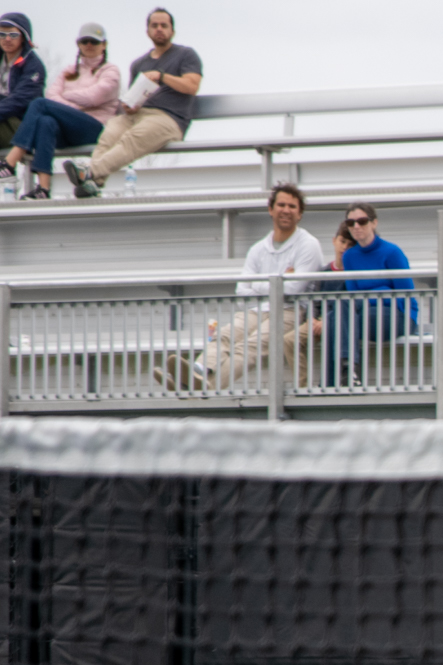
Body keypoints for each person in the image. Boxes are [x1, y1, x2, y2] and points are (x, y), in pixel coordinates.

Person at [157, 183, 320, 391]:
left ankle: (203, 387)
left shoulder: (308, 245)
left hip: (289, 311)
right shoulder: (258, 249)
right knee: (224, 336)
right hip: (257, 309)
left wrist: (261, 283)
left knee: (250, 347)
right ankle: (198, 370)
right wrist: (278, 281)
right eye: (281, 205)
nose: (286, 210)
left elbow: (294, 290)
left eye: (292, 206)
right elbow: (242, 289)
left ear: (300, 214)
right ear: (271, 209)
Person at [65, 8, 199, 199]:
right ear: (148, 32)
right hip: (136, 115)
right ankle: (93, 185)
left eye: (164, 26)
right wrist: (128, 106)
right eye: (154, 26)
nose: (159, 29)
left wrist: (162, 77)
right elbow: (132, 96)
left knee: (131, 138)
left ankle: (89, 173)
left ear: (172, 31)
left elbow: (192, 86)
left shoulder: (186, 55)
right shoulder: (139, 64)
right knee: (110, 133)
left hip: (168, 119)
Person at [6, 23, 115, 199]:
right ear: (78, 44)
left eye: (94, 42)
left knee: (39, 104)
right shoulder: (69, 71)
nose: (89, 45)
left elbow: (95, 96)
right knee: (45, 121)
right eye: (84, 41)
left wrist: (65, 102)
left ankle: (11, 161)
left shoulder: (110, 71)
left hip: (95, 128)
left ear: (104, 45)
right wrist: (66, 109)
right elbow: (52, 95)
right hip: (69, 129)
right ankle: (43, 189)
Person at [318, 203, 415, 385]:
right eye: (351, 222)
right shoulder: (349, 257)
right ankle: (346, 374)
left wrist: (379, 296)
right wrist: (380, 292)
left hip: (395, 315)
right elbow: (354, 296)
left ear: (373, 223)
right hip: (364, 313)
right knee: (333, 317)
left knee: (337, 316)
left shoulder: (392, 252)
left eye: (362, 221)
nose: (356, 227)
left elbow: (405, 295)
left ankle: (334, 379)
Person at [0, 13, 47, 151]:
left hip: (22, 126)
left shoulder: (33, 66)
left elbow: (19, 101)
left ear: (23, 37)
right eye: (2, 34)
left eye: (13, 35)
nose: (7, 39)